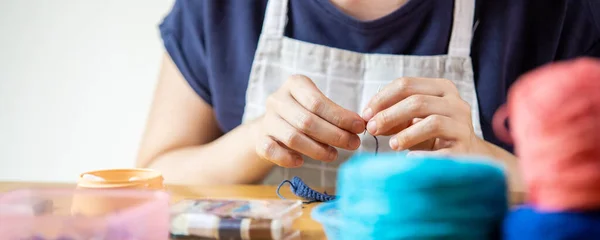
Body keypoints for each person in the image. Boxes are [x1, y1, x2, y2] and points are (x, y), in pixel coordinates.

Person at [136, 0, 600, 191]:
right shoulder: (223, 10)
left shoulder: (554, 12)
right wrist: (255, 139)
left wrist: (486, 160)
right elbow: (151, 179)